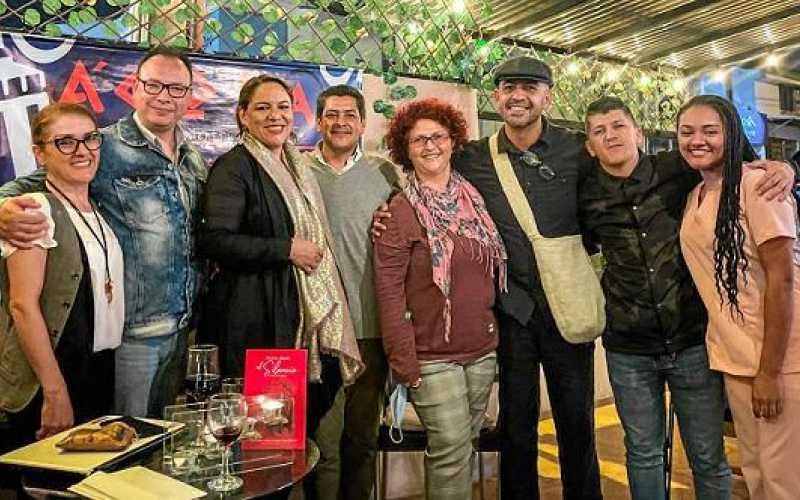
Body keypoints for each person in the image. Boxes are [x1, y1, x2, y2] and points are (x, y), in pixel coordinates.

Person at [0, 46, 206, 418]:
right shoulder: (102, 145)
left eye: (176, 89)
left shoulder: (192, 157)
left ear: (189, 96)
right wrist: (1, 210)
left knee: (157, 443)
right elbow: (29, 184)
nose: (164, 96)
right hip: (130, 335)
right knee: (124, 447)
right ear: (135, 88)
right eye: (154, 85)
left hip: (181, 328)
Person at [196, 75, 363, 500]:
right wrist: (285, 248)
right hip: (257, 325)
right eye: (263, 108)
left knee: (292, 447)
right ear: (243, 115)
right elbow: (214, 240)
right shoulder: (234, 166)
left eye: (284, 108)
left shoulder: (296, 164)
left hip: (296, 324)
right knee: (262, 452)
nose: (276, 116)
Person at [579, 97, 732, 499]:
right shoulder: (585, 194)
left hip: (692, 338)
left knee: (708, 454)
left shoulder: (677, 170)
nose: (610, 135)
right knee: (643, 453)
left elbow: (737, 162)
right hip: (628, 346)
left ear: (637, 132)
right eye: (599, 131)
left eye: (617, 125)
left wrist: (787, 167)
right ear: (590, 145)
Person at [374, 97, 506, 500]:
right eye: (418, 141)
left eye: (438, 137)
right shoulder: (398, 212)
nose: (430, 146)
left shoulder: (476, 202)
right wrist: (404, 362)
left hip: (481, 349)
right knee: (450, 449)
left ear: (453, 141)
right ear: (405, 149)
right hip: (430, 355)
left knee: (464, 445)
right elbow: (389, 293)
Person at [678, 95, 800, 500]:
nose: (698, 140)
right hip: (734, 356)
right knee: (755, 471)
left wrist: (769, 371)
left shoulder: (758, 185)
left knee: (784, 478)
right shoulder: (696, 194)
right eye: (687, 132)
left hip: (781, 359)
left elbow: (783, 280)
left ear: (731, 133)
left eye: (710, 131)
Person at [0, 103, 124, 451]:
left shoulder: (97, 207)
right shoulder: (34, 209)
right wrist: (54, 389)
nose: (82, 151)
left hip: (96, 369)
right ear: (40, 153)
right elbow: (23, 305)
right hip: (52, 373)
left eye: (89, 139)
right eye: (65, 142)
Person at [308, 85, 399, 500]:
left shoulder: (385, 174)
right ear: (318, 120)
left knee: (362, 441)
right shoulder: (298, 171)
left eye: (349, 115)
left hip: (371, 329)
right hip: (319, 330)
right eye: (331, 114)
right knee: (321, 445)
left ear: (363, 123)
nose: (340, 122)